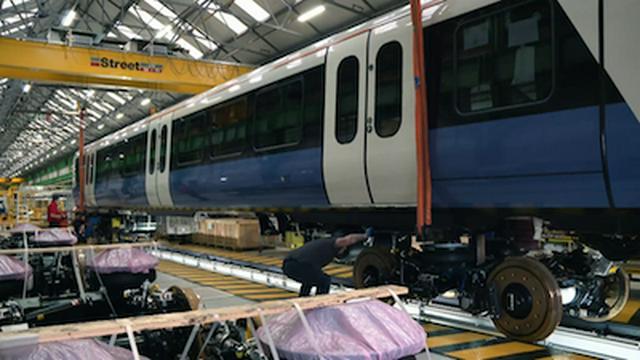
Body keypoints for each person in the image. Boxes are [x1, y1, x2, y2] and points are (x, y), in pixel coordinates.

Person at [283, 228, 373, 297]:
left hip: (290, 265)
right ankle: (321, 305)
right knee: (324, 280)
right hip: (296, 265)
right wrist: (365, 235)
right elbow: (347, 240)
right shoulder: (333, 244)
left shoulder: (324, 245)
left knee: (310, 279)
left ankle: (303, 301)